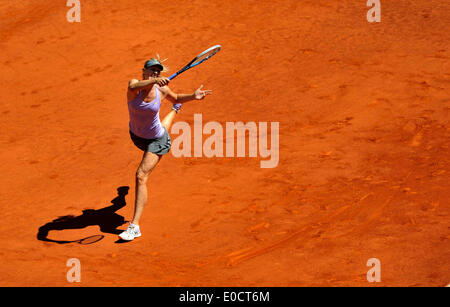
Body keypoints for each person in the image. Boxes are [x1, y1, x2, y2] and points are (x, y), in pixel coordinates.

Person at [119, 57, 212, 241]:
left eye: (158, 71)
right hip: (137, 137)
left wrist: (193, 96)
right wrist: (153, 80)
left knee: (141, 176)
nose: (155, 73)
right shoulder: (134, 85)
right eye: (152, 70)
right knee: (160, 127)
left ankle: (134, 226)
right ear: (143, 71)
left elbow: (176, 97)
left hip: (156, 140)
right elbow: (132, 88)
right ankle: (175, 111)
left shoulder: (161, 89)